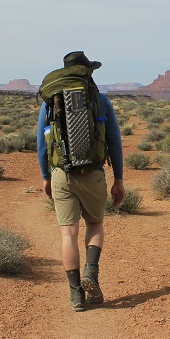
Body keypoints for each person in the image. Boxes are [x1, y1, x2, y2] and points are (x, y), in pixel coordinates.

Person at [37, 51, 125, 312]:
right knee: (95, 224)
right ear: (88, 72)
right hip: (93, 173)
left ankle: (76, 295)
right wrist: (118, 179)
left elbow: (42, 144)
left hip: (61, 174)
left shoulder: (50, 101)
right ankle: (91, 273)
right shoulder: (100, 99)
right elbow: (114, 142)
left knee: (69, 233)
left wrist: (45, 177)